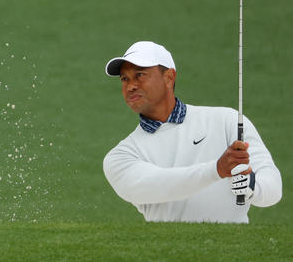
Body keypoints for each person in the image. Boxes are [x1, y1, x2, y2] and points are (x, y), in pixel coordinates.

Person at [102, 41, 282, 223]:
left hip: (234, 250)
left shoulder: (227, 120)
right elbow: (157, 185)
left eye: (139, 75)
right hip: (167, 251)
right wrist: (217, 170)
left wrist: (253, 187)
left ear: (169, 78)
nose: (130, 86)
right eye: (125, 79)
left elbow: (273, 189)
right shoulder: (120, 156)